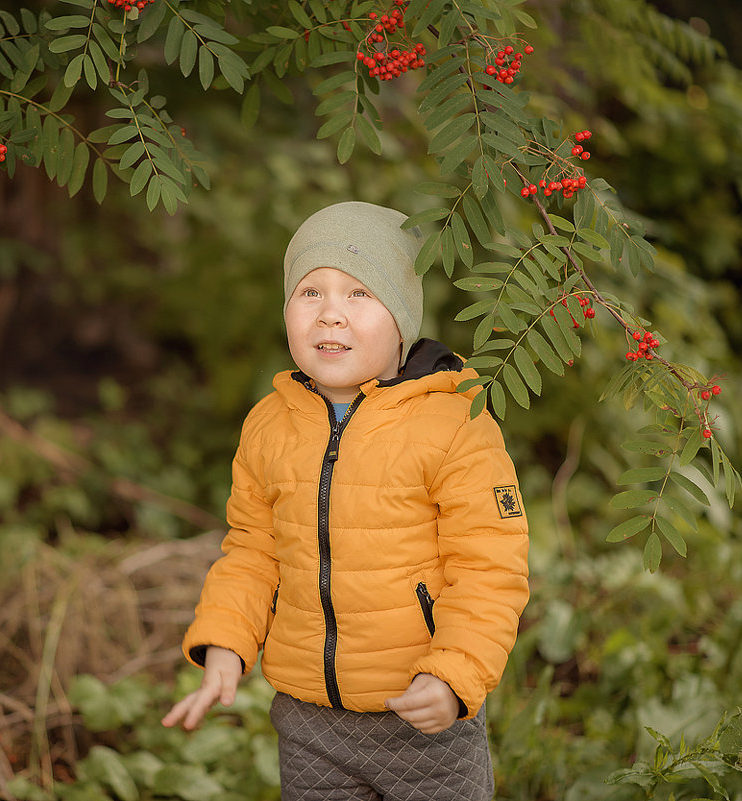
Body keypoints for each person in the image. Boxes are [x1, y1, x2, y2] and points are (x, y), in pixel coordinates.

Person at [161, 200, 530, 800]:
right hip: (310, 723)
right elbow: (253, 553)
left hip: (422, 716)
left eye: (359, 293)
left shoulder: (455, 421)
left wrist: (456, 675)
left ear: (402, 316)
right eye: (310, 293)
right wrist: (226, 645)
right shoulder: (269, 426)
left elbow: (491, 567)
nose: (330, 314)